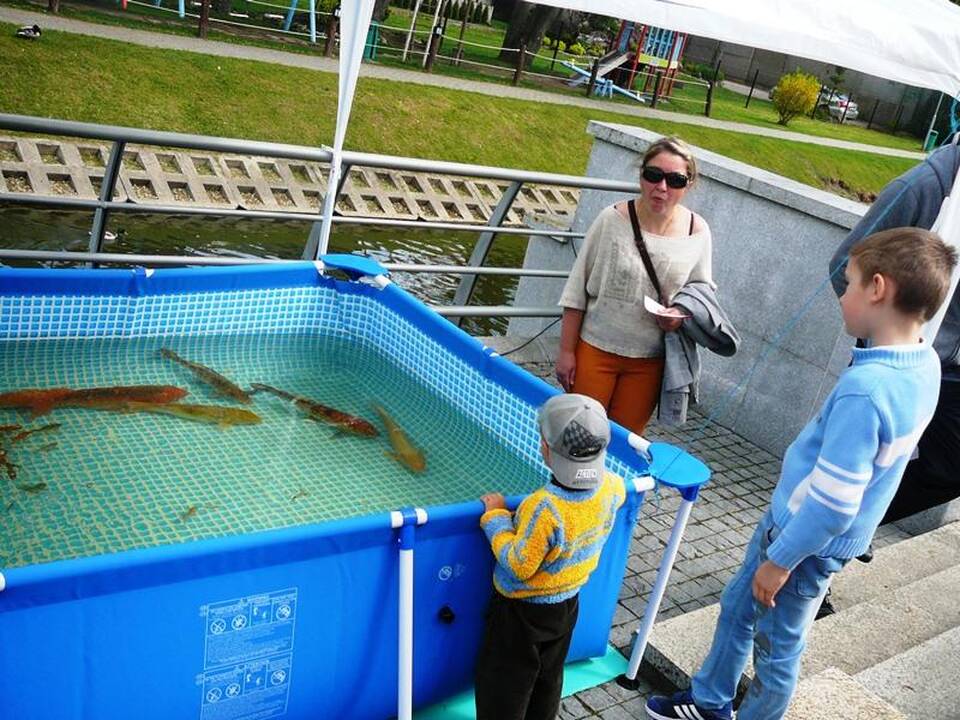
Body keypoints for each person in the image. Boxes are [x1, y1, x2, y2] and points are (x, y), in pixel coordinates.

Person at [644, 227, 957, 720]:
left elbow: (834, 504)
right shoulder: (923, 362)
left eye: (849, 284)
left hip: (800, 544)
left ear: (878, 289)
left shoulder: (868, 390)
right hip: (799, 533)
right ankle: (709, 701)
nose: (843, 296)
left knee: (777, 649)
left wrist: (781, 559)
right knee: (736, 608)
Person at [829, 138, 960, 524]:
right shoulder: (925, 186)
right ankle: (809, 550)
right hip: (899, 360)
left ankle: (859, 527)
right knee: (853, 466)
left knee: (951, 467)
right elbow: (845, 267)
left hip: (953, 370)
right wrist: (889, 338)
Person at [474, 393, 626, 720]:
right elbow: (613, 501)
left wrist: (496, 518)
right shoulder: (613, 486)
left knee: (506, 684)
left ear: (545, 449)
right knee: (548, 677)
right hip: (567, 604)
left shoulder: (543, 508)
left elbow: (518, 565)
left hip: (521, 614)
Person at [555, 136, 713, 434]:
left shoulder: (698, 231)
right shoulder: (611, 219)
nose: (662, 187)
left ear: (689, 184)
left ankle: (612, 484)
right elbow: (576, 291)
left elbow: (700, 294)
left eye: (675, 179)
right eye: (653, 175)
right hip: (596, 350)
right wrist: (566, 352)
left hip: (649, 361)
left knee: (624, 443)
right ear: (641, 174)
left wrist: (679, 314)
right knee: (578, 437)